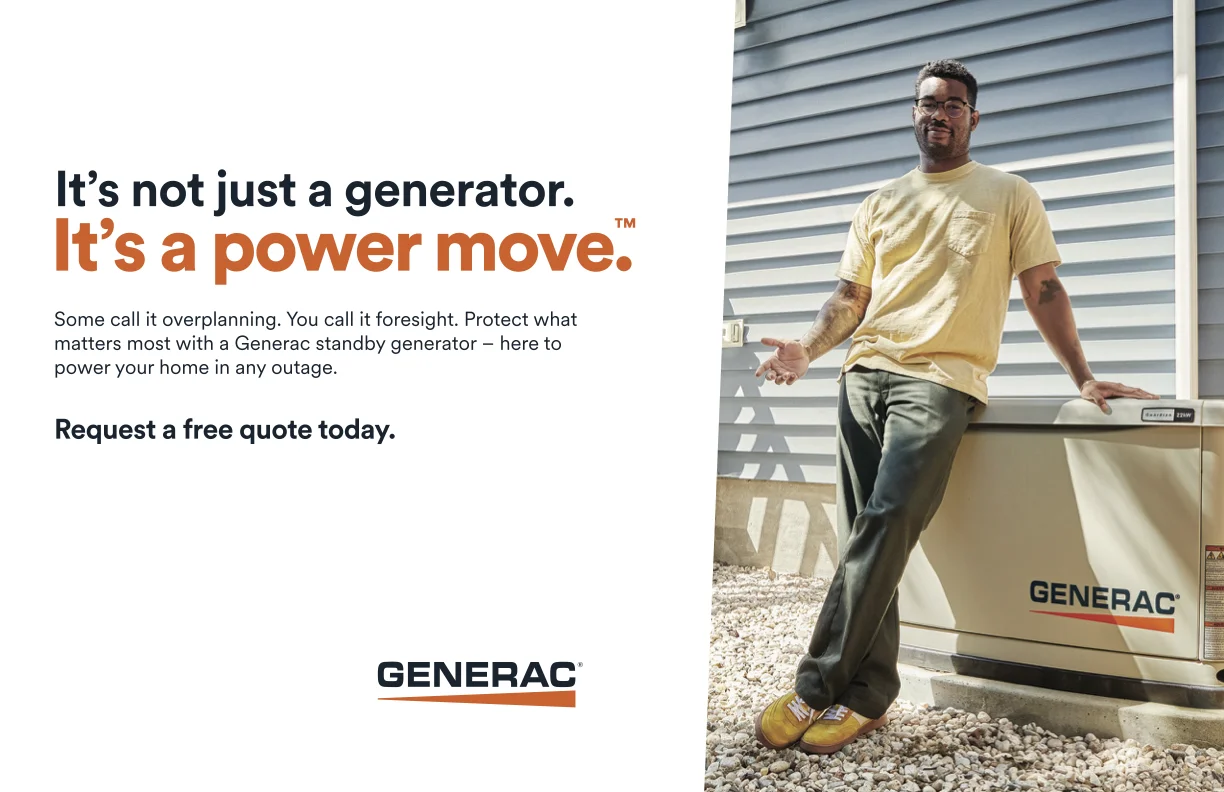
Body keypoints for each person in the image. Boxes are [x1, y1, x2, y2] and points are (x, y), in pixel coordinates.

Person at [751, 59, 1159, 756]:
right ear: (912, 115)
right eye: (926, 103)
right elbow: (850, 299)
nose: (938, 113)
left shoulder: (1008, 194)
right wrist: (809, 351)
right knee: (866, 540)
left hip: (941, 381)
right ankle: (868, 698)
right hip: (862, 377)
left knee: (883, 524)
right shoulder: (880, 203)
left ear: (974, 117)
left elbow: (1044, 289)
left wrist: (1083, 376)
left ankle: (815, 686)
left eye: (952, 104)